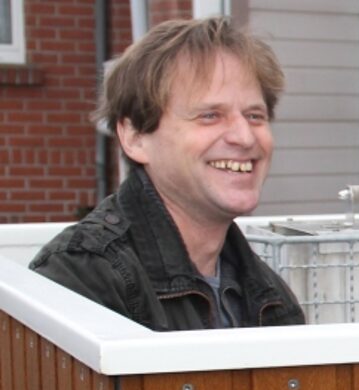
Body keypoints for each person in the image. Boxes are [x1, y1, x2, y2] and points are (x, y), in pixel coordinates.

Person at [31, 17, 304, 330]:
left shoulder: (269, 296)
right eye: (210, 116)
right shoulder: (82, 279)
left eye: (255, 116)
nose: (244, 137)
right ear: (134, 137)